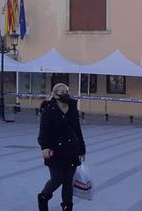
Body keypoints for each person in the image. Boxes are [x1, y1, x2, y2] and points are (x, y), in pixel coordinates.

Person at [37, 83, 86, 211]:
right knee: (57, 180)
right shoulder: (49, 109)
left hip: (71, 149)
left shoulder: (72, 107)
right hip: (55, 150)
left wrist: (82, 149)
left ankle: (67, 207)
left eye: (66, 91)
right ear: (54, 94)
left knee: (68, 182)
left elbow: (77, 129)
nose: (64, 93)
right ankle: (43, 197)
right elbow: (44, 131)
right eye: (61, 91)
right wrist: (45, 147)